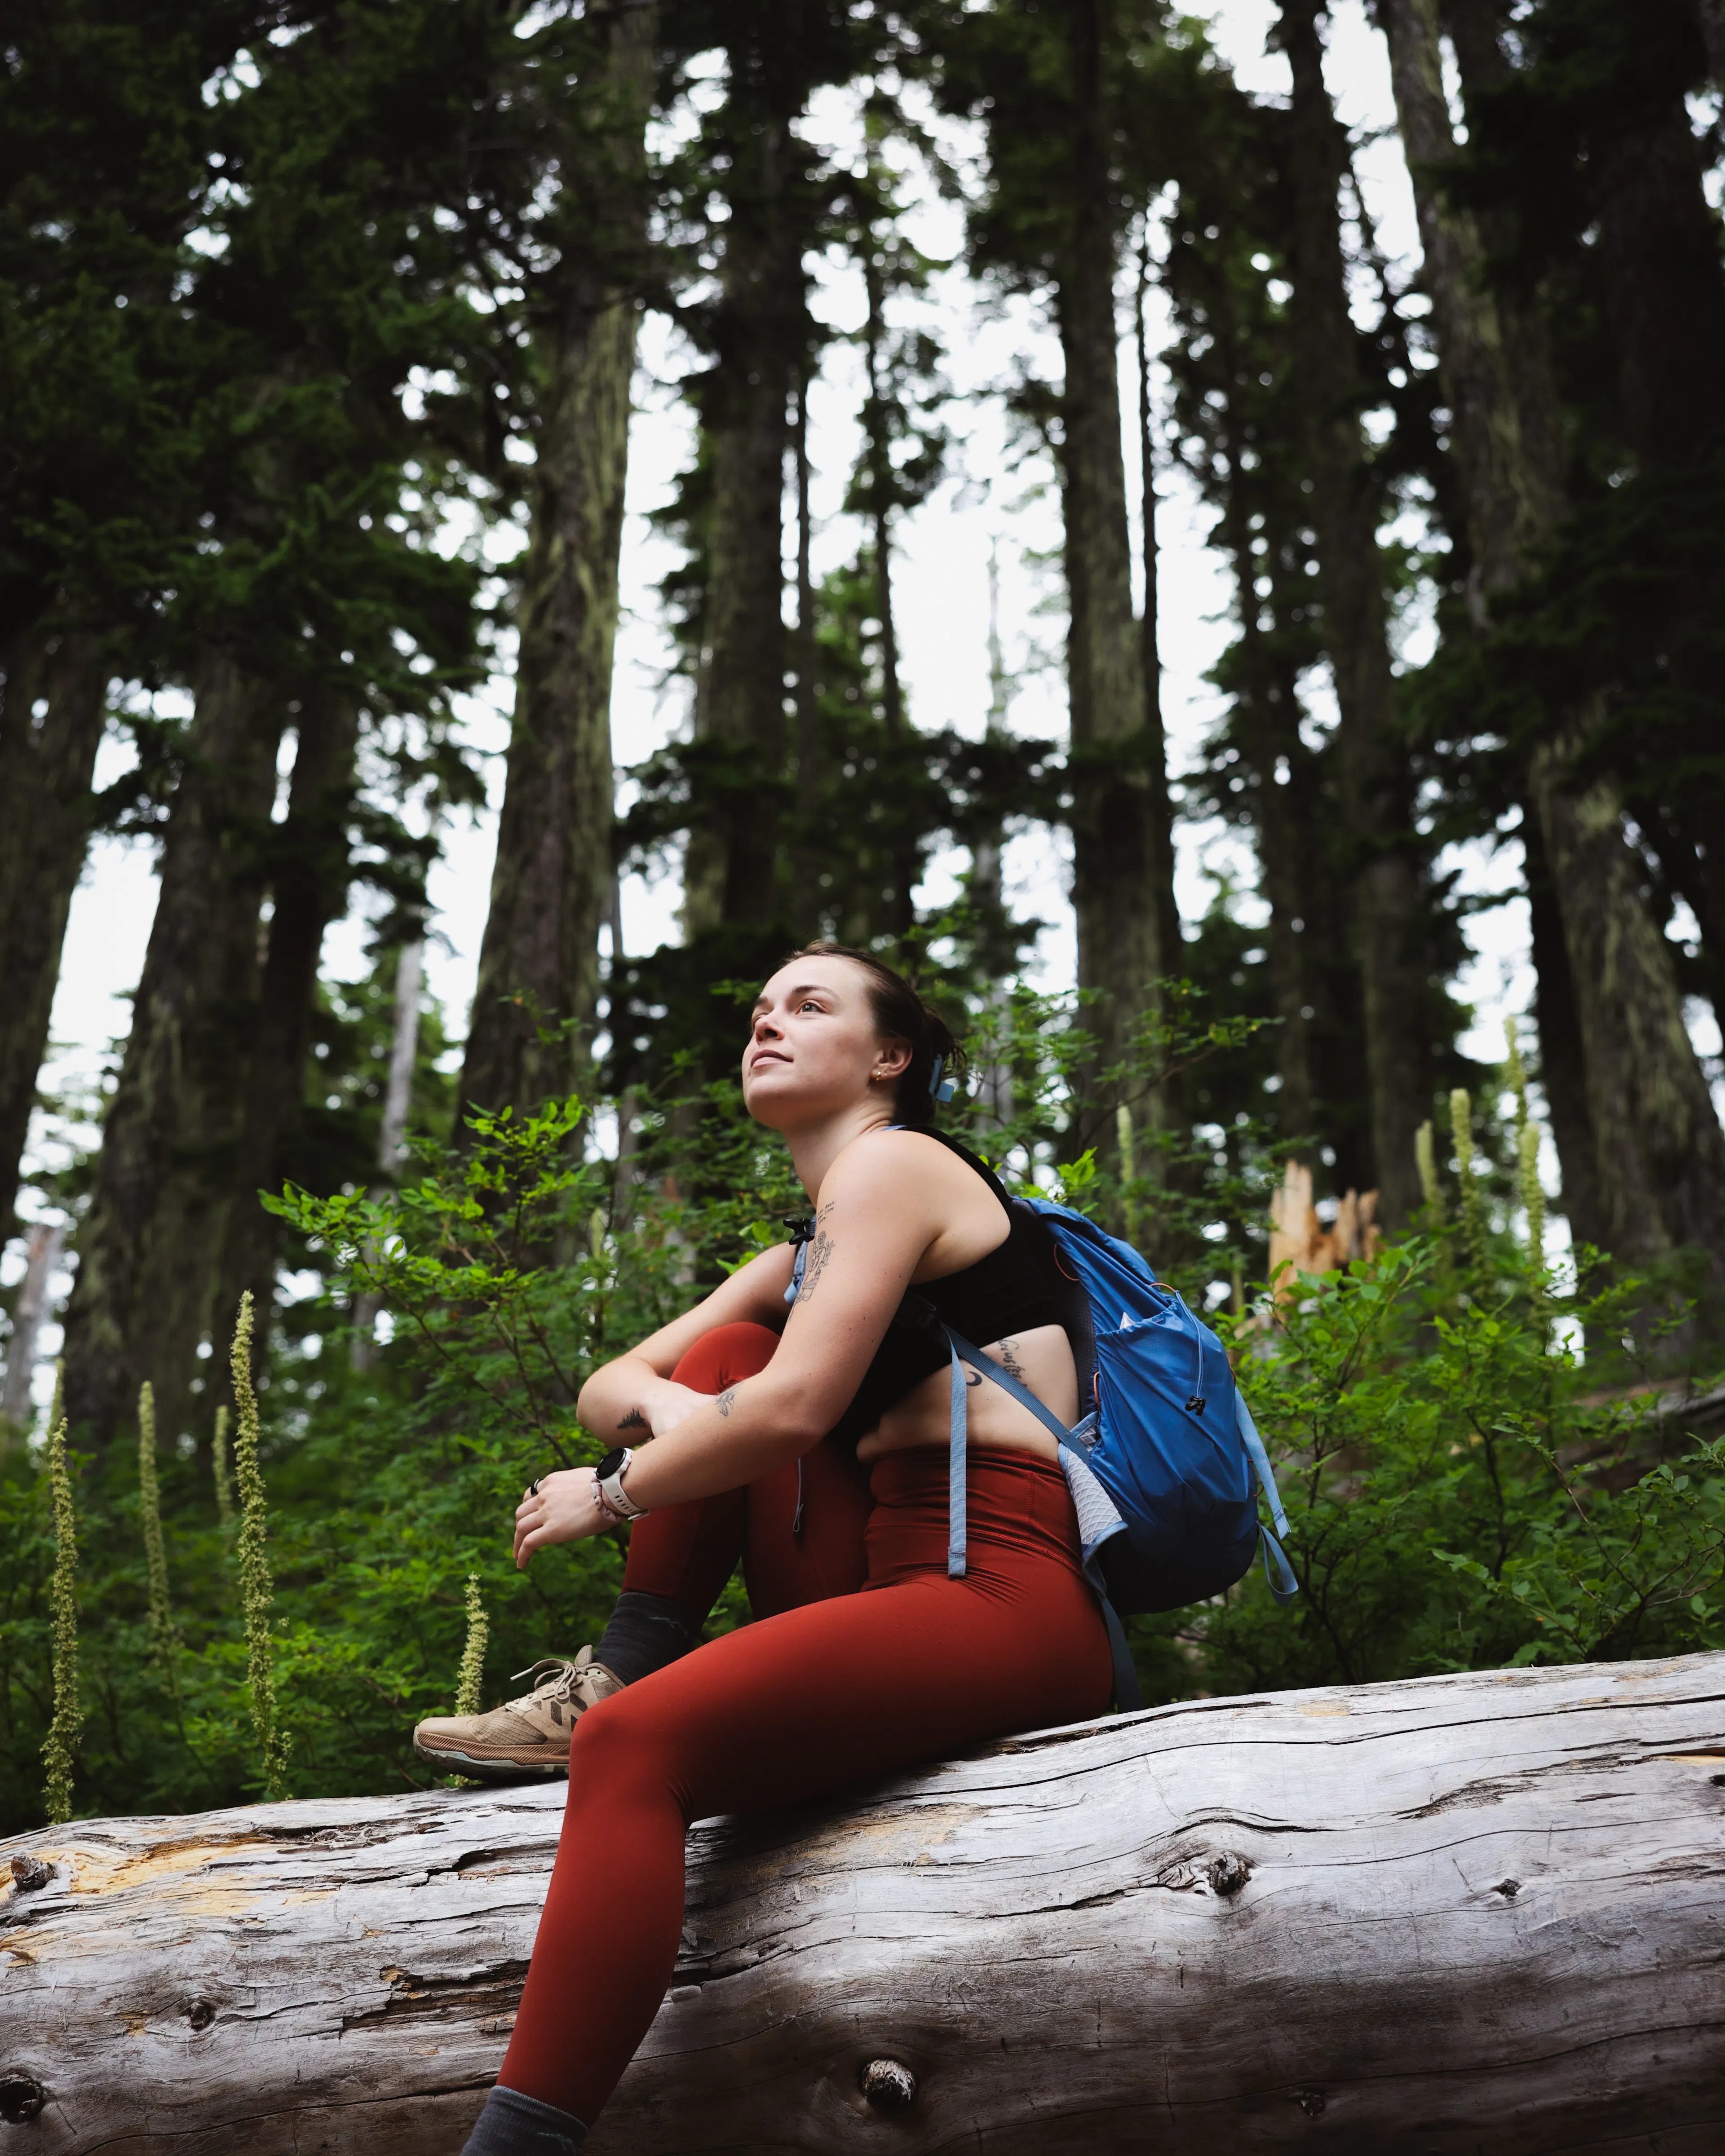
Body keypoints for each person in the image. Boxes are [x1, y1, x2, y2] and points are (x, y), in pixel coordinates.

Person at [458, 944, 1114, 2156]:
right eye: (759, 1009)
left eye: (810, 1007)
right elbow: (622, 1385)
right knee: (719, 1364)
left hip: (998, 1584)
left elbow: (797, 1411)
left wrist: (615, 1493)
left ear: (888, 1057)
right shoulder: (801, 1248)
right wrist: (678, 1415)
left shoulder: (897, 1165)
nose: (768, 1025)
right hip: (888, 1567)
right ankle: (628, 1659)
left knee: (631, 1752)